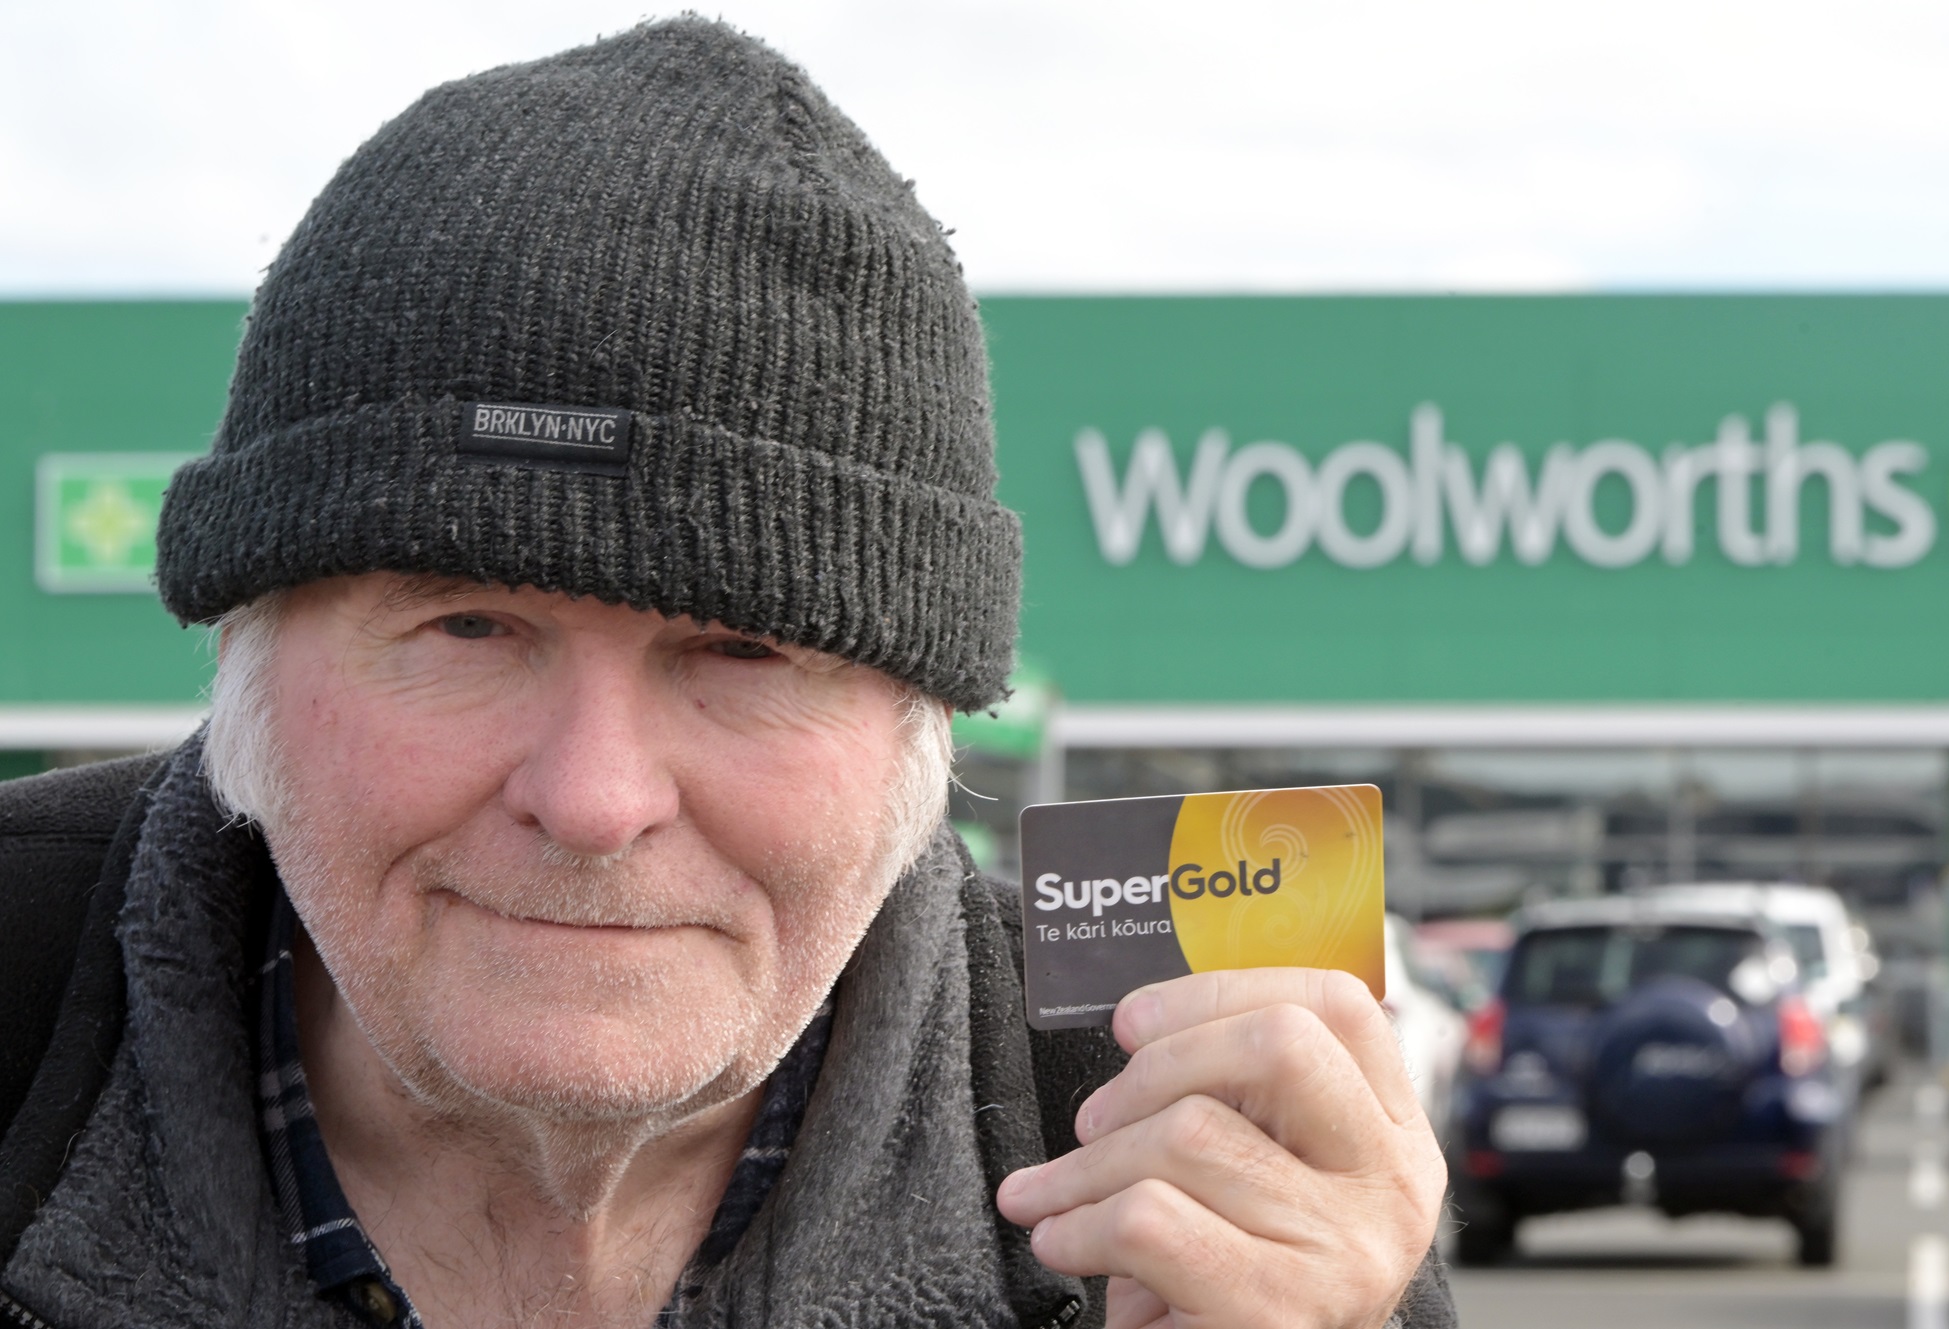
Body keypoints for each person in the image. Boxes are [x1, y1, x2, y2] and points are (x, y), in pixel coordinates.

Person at [0, 19, 1450, 1329]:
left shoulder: (1188, 1122)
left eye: (743, 651)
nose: (592, 798)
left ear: (915, 735)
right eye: (466, 628)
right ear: (243, 668)